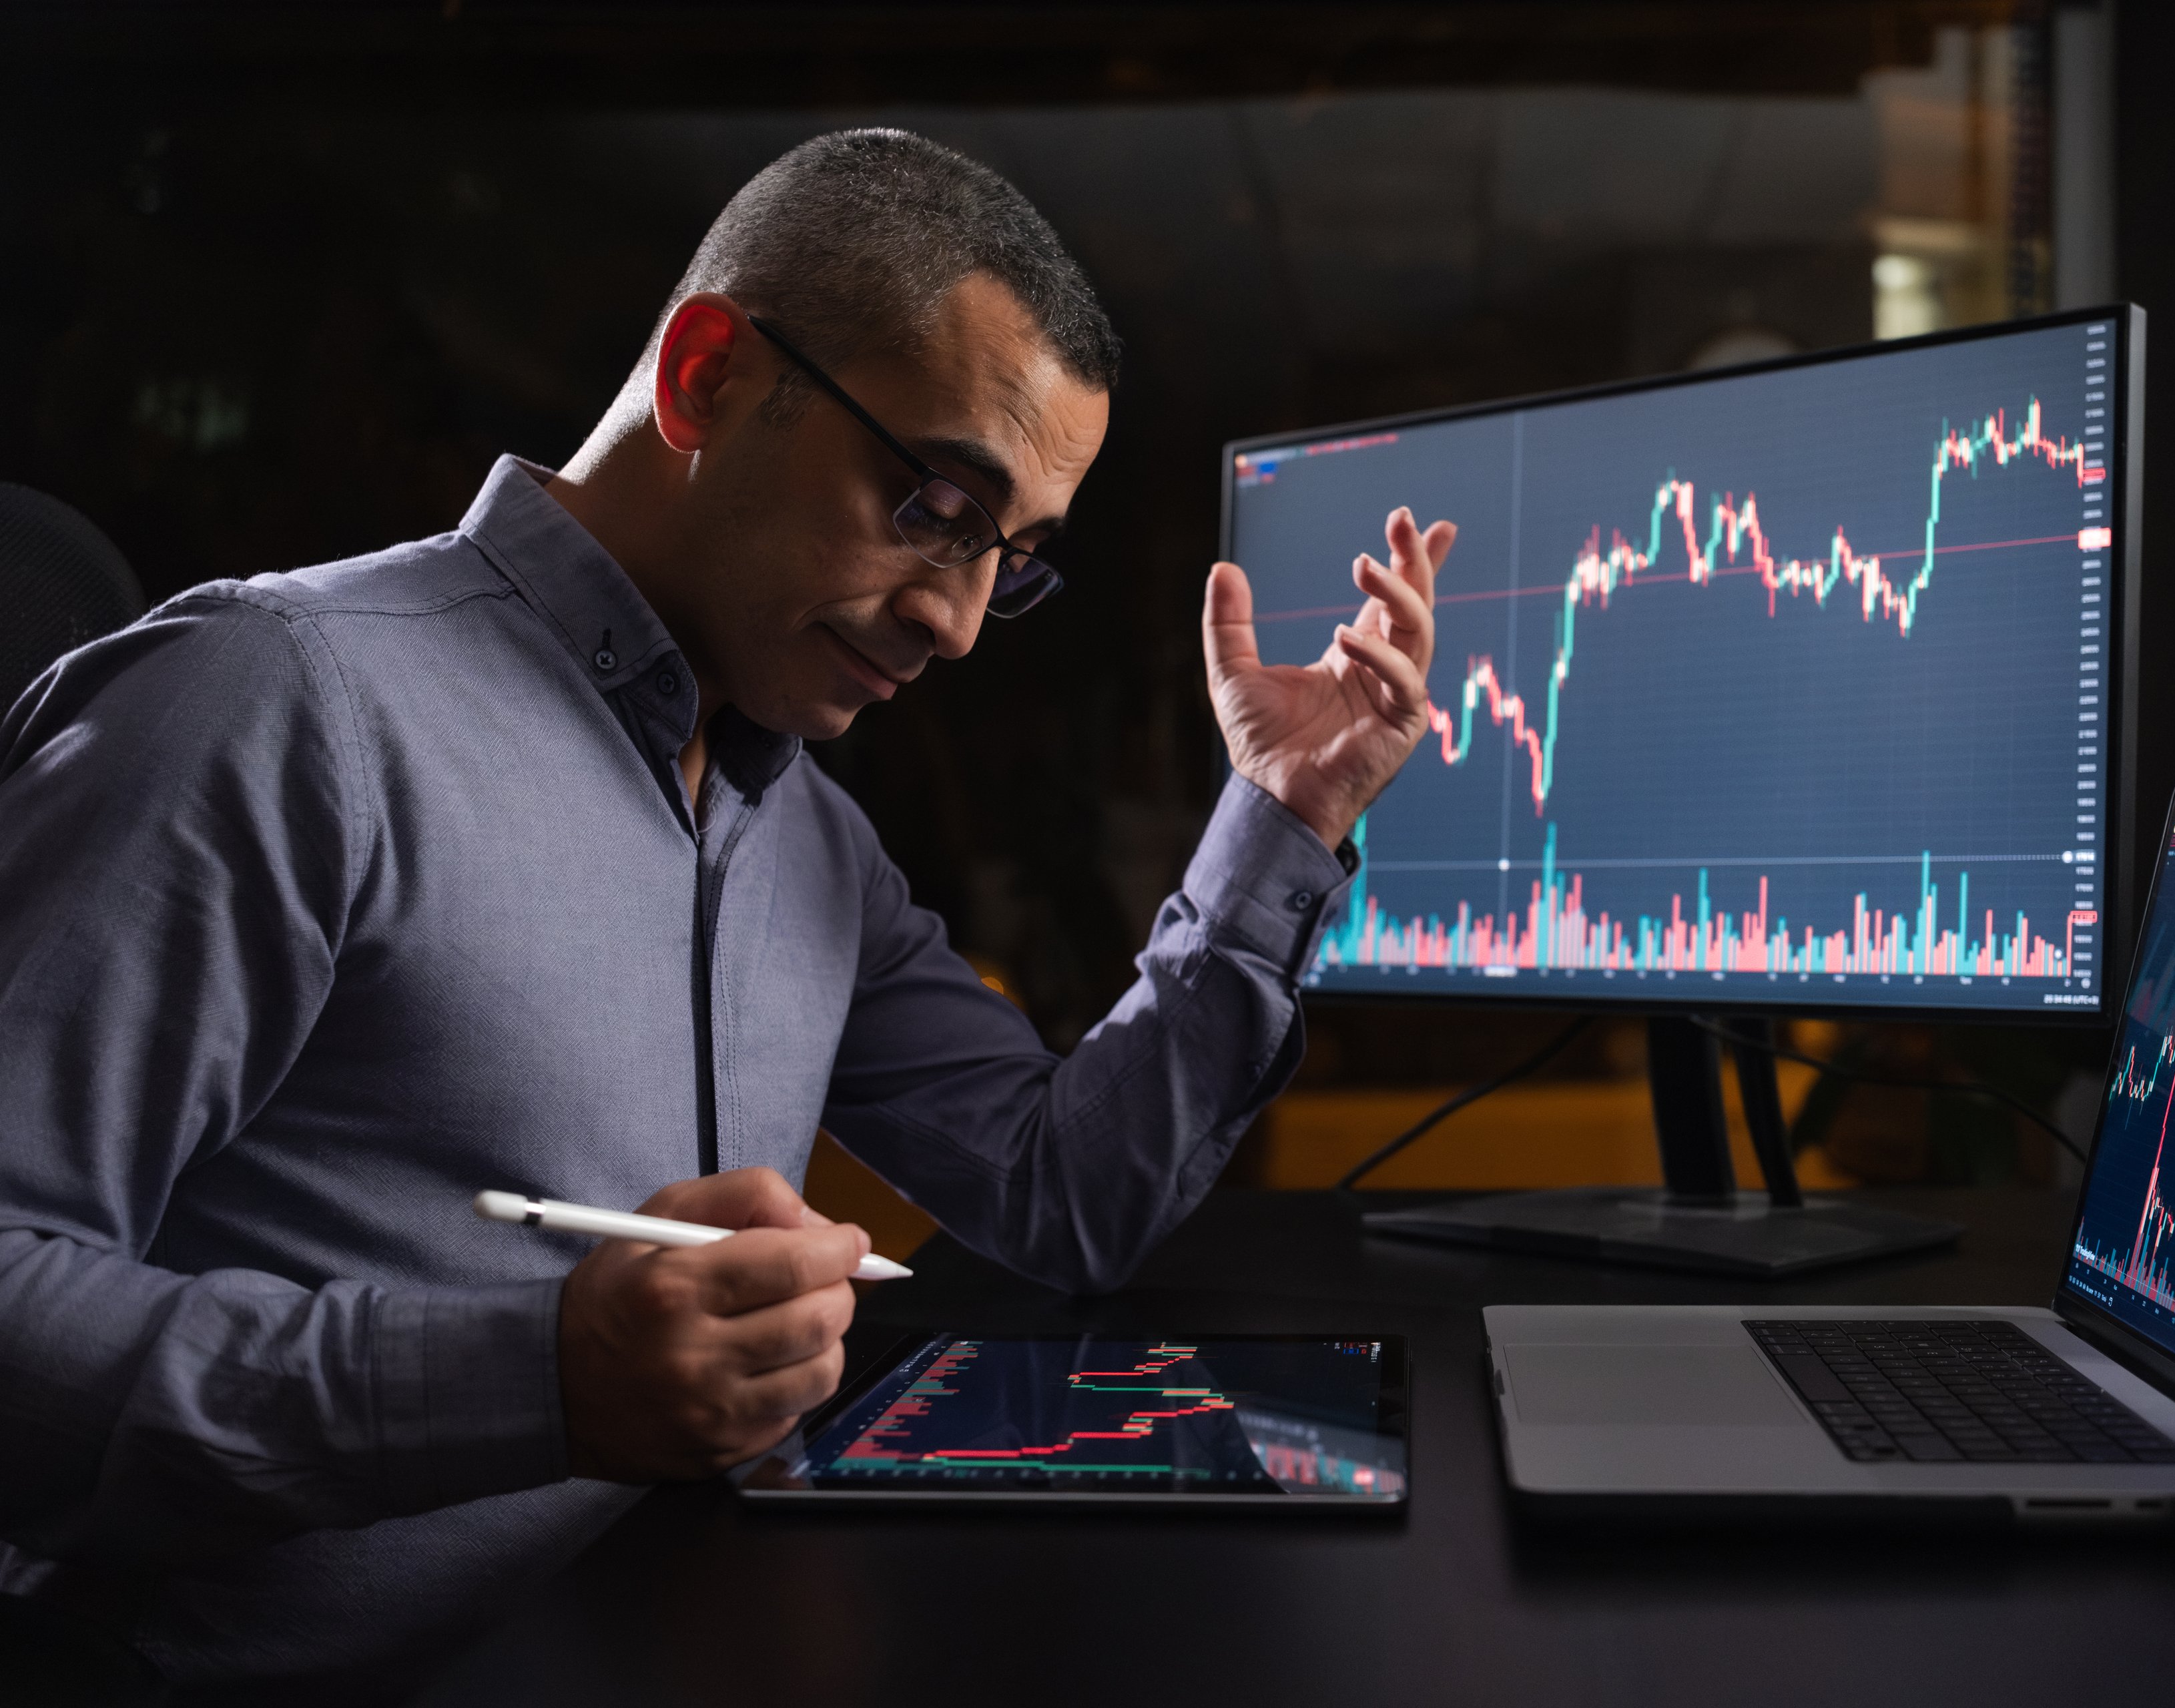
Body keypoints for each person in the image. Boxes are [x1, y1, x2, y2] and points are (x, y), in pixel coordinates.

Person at [0, 128, 1453, 1693]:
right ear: (704, 378)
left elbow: (1065, 1196)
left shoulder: (810, 841)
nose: (960, 622)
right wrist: (527, 1377)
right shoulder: (269, 704)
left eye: (1011, 560)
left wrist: (1286, 816)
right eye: (937, 507)